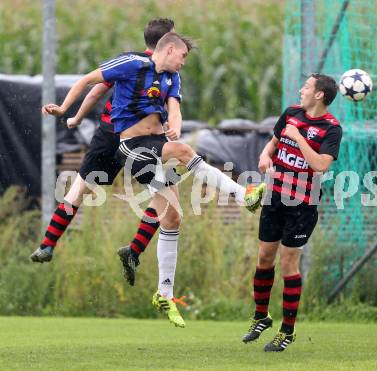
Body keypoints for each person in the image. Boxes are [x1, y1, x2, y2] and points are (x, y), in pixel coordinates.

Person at [37, 31, 266, 323]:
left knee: (172, 216)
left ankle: (164, 294)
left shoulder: (172, 78)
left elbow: (175, 109)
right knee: (180, 154)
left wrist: (175, 127)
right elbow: (88, 82)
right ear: (170, 49)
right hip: (131, 147)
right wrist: (67, 111)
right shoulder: (131, 64)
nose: (184, 62)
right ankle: (242, 194)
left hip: (156, 145)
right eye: (183, 56)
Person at [31, 18, 187, 327]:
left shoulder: (129, 61)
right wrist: (173, 128)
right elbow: (171, 109)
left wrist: (73, 116)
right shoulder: (162, 72)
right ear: (166, 44)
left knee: (79, 189)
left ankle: (48, 243)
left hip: (108, 134)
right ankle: (134, 248)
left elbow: (96, 90)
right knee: (168, 200)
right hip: (142, 141)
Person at [242, 74, 342, 352]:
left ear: (320, 94)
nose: (301, 90)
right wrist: (264, 156)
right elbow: (272, 143)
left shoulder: (331, 128)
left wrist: (298, 137)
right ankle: (261, 316)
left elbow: (321, 165)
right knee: (264, 257)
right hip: (275, 196)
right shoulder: (291, 113)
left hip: (302, 203)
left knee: (288, 264)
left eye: (307, 87)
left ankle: (287, 332)